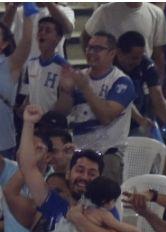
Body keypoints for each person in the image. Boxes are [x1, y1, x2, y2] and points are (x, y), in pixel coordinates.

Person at [53, 29, 133, 176]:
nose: (91, 52)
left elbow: (106, 117)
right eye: (89, 47)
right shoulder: (79, 76)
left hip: (108, 152)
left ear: (112, 53)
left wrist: (85, 88)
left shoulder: (122, 81)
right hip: (79, 150)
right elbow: (61, 113)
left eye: (98, 49)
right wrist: (66, 91)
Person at [84, 2, 166, 77]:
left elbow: (159, 54)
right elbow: (86, 36)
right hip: (110, 77)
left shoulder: (156, 13)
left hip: (142, 79)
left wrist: (159, 82)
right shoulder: (104, 11)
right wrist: (93, 62)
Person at [115, 30, 166, 135]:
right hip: (113, 121)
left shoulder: (146, 64)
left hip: (139, 120)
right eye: (134, 58)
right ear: (119, 53)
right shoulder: (109, 67)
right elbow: (122, 100)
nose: (138, 62)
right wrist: (139, 119)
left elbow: (157, 97)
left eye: (141, 57)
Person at [0, 11, 34, 155]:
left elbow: (26, 41)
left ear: (5, 44)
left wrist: (29, 9)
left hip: (3, 143)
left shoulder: (10, 64)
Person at [18, 15, 66, 114]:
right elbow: (30, 93)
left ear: (58, 38)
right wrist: (23, 107)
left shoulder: (63, 66)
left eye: (47, 31)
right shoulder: (31, 64)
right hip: (33, 121)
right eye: (40, 30)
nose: (42, 33)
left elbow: (64, 99)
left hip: (51, 122)